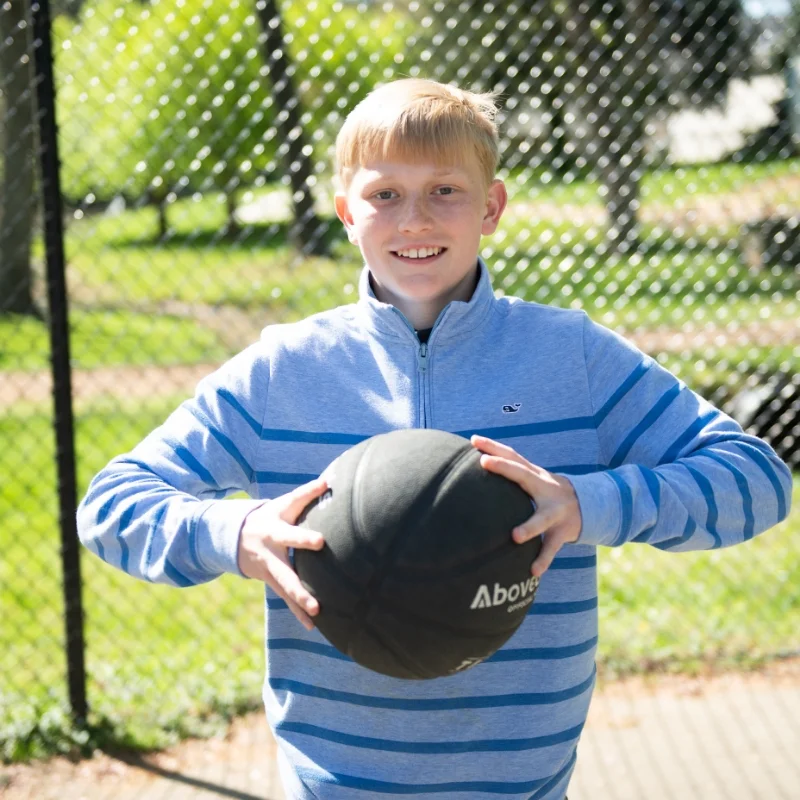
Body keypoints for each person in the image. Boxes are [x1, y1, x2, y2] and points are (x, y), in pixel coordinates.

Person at [77, 78, 793, 800]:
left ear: (492, 207)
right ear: (346, 214)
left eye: (445, 190)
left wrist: (587, 504)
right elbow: (111, 505)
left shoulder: (568, 357)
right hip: (336, 781)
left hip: (521, 781)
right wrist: (238, 532)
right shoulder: (284, 371)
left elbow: (756, 480)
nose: (414, 219)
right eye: (384, 194)